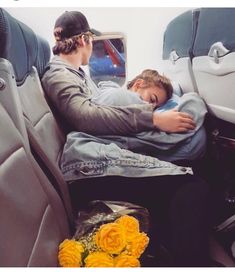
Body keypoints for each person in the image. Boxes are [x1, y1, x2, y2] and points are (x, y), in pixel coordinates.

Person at [41, 11, 214, 267]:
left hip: (96, 156)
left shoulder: (79, 75)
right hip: (89, 164)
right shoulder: (58, 73)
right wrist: (153, 119)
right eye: (91, 40)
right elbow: (83, 116)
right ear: (83, 40)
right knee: (193, 187)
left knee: (184, 186)